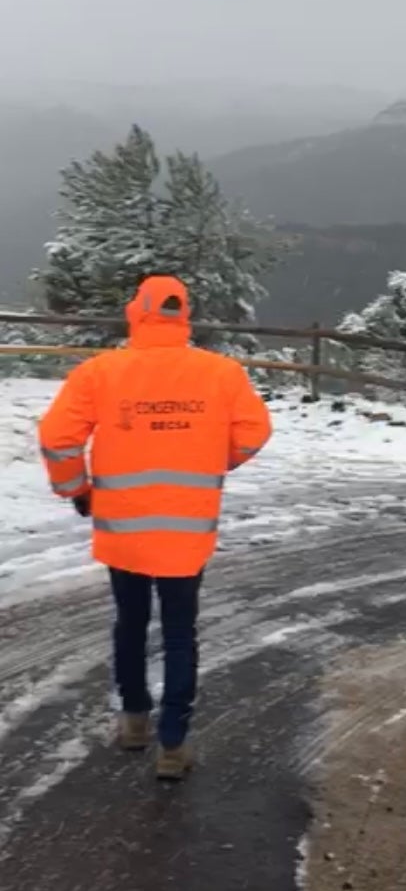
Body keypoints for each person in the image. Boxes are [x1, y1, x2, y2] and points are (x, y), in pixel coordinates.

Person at [38, 275, 272, 780]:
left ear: (136, 312)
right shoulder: (221, 373)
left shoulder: (101, 373)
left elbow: (57, 437)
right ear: (183, 313)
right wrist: (214, 462)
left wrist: (77, 489)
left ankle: (134, 723)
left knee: (130, 623)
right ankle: (173, 745)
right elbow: (256, 431)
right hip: (188, 528)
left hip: (123, 527)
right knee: (180, 633)